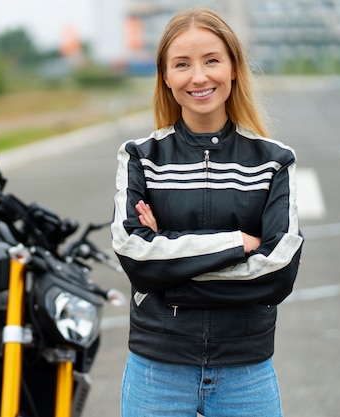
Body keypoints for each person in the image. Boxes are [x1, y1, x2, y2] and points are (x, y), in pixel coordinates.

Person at [110, 7, 304, 417]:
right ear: (165, 75)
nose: (198, 77)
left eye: (211, 60)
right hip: (156, 372)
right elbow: (135, 255)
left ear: (233, 68)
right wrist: (240, 243)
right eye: (182, 64)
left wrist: (169, 274)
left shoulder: (273, 162)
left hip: (246, 372)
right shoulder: (140, 158)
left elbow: (278, 272)